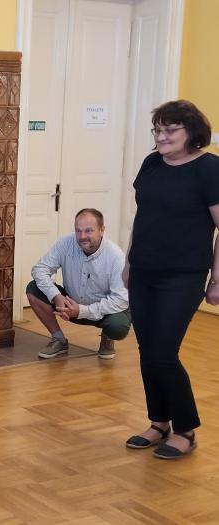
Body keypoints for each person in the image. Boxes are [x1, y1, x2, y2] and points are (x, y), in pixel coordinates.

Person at [124, 100, 219, 459]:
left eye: (170, 129)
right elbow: (142, 216)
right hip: (144, 271)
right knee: (147, 351)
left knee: (163, 352)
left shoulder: (209, 169)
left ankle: (185, 430)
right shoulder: (152, 164)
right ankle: (158, 422)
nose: (161, 136)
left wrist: (216, 279)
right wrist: (130, 260)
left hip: (183, 275)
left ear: (191, 131)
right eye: (158, 129)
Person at [27, 208, 130, 360]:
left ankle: (107, 338)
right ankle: (59, 339)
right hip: (69, 305)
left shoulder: (115, 256)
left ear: (102, 230)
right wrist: (55, 296)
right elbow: (39, 269)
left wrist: (81, 311)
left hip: (102, 311)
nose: (82, 237)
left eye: (89, 231)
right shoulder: (66, 243)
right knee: (33, 289)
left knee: (118, 326)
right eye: (78, 231)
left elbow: (120, 300)